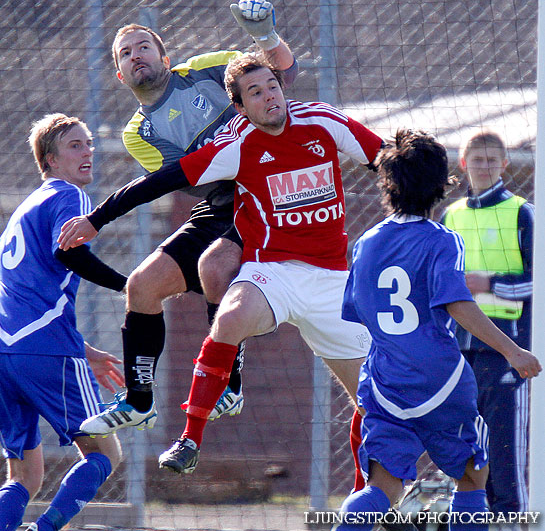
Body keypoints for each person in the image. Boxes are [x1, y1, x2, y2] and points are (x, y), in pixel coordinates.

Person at [57, 50, 383, 476]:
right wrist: (96, 220)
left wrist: (419, 170)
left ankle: (371, 496)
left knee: (373, 402)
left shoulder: (322, 120)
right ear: (240, 107)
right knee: (228, 315)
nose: (269, 97)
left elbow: (385, 157)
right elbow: (160, 181)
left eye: (272, 87)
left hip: (331, 280)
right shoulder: (235, 143)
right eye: (255, 92)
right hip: (274, 272)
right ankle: (190, 437)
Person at [78, 0, 297, 436]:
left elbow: (280, 76)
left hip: (264, 193)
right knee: (141, 286)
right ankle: (139, 401)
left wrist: (266, 37)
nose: (135, 55)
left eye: (143, 46)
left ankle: (228, 385)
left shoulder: (209, 69)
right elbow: (190, 177)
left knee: (215, 266)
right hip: (218, 201)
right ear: (120, 76)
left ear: (165, 57)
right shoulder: (137, 133)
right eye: (125, 53)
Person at [334, 129, 540, 531]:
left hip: (384, 380)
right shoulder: (444, 239)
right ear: (440, 186)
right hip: (441, 379)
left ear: (387, 184)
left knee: (380, 488)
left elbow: (356, 310)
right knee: (473, 475)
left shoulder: (366, 243)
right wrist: (513, 350)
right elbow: (457, 303)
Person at [0, 113, 128, 531]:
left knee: (25, 477)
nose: (88, 151)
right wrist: (130, 285)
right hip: (45, 348)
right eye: (76, 145)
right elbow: (69, 252)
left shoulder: (26, 207)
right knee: (106, 454)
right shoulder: (68, 196)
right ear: (50, 160)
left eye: (89, 143)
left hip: (6, 351)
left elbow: (26, 289)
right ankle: (45, 529)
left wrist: (84, 349)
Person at [441, 130, 534, 517]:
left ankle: (511, 519)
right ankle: (471, 517)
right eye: (476, 160)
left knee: (505, 445)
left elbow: (537, 281)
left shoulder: (522, 211)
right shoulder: (451, 215)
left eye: (491, 160)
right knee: (464, 443)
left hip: (506, 347)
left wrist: (490, 284)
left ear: (504, 165)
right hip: (459, 348)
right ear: (463, 164)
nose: (483, 166)